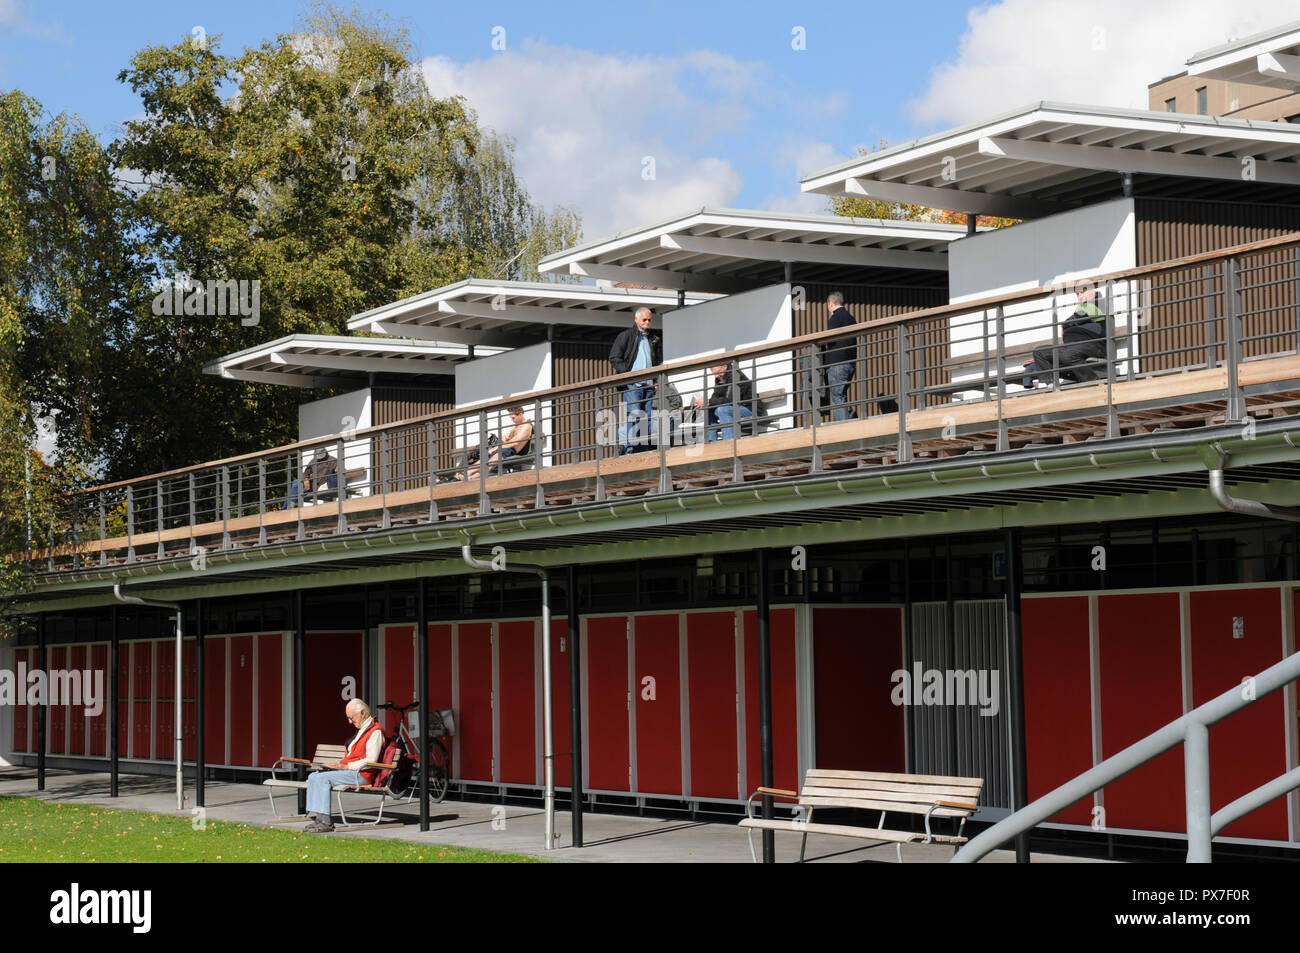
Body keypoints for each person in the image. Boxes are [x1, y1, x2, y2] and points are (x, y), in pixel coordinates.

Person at [303, 699, 385, 833]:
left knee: (322, 779)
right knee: (313, 776)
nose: (350, 722)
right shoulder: (363, 729)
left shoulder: (375, 732)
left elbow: (371, 760)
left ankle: (326, 822)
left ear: (363, 713)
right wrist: (337, 766)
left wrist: (347, 766)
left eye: (351, 718)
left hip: (361, 775)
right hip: (351, 772)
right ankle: (318, 818)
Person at [1021, 286, 1107, 387]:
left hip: (1094, 345)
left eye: (1083, 291)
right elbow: (1072, 321)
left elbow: (1075, 319)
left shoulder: (1097, 302)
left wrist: (1065, 325)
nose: (1079, 294)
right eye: (1077, 293)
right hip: (1073, 347)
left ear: (1094, 291)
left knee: (1068, 355)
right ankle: (1051, 386)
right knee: (1039, 352)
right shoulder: (1083, 306)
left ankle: (1093, 382)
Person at [608, 308, 662, 454]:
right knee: (635, 415)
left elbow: (656, 361)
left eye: (649, 320)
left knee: (647, 418)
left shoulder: (652, 338)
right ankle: (630, 448)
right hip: (633, 384)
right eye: (644, 319)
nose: (647, 322)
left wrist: (655, 380)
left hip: (649, 384)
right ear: (636, 319)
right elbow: (614, 357)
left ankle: (641, 448)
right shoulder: (626, 336)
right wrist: (628, 375)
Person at [456, 407, 533, 481]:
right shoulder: (516, 426)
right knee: (484, 456)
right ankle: (465, 473)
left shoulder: (526, 426)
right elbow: (507, 437)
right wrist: (499, 441)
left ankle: (474, 477)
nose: (512, 420)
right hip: (506, 449)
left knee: (496, 456)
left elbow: (515, 442)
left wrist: (496, 448)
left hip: (512, 450)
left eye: (513, 418)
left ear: (520, 414)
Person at [692, 363, 757, 441]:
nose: (716, 376)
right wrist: (704, 403)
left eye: (717, 373)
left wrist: (709, 401)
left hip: (750, 409)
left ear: (725, 366)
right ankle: (711, 441)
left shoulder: (736, 376)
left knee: (723, 410)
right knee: (708, 410)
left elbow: (730, 400)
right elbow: (716, 397)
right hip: (734, 409)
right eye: (714, 374)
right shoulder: (720, 378)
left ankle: (729, 441)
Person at [823, 292, 857, 421]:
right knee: (841, 395)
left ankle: (843, 426)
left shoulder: (835, 317)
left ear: (831, 303)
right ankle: (846, 421)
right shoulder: (851, 318)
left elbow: (831, 338)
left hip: (838, 362)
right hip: (850, 362)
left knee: (837, 396)